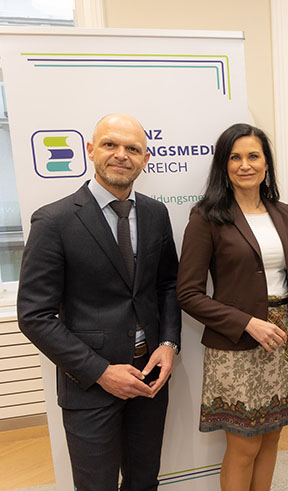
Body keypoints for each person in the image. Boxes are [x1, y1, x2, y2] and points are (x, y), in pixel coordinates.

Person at [17, 114, 181, 491]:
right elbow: (34, 315)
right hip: (90, 385)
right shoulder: (54, 221)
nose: (121, 155)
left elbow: (167, 285)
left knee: (143, 480)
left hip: (149, 378)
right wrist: (101, 371)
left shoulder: (156, 214)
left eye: (132, 149)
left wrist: (169, 344)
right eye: (110, 144)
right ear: (90, 150)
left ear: (145, 158)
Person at [177, 123, 288, 491]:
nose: (244, 165)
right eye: (234, 157)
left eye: (253, 156)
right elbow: (188, 293)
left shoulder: (282, 212)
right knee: (243, 445)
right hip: (237, 344)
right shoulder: (206, 217)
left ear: (266, 163)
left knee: (272, 437)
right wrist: (248, 323)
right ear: (223, 166)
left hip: (283, 336)